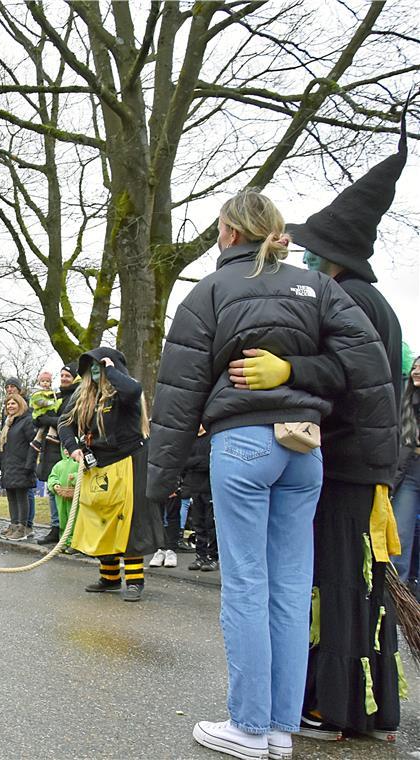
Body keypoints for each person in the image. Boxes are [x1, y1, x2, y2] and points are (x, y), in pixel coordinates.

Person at [148, 189, 395, 759]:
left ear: (230, 232)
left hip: (242, 445)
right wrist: (382, 458)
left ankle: (249, 725)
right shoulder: (319, 289)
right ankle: (281, 728)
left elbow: (179, 395)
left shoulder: (209, 292)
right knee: (288, 587)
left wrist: (156, 486)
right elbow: (371, 367)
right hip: (304, 449)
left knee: (246, 586)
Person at [229, 138, 408, 742]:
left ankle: (327, 709)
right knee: (362, 584)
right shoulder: (379, 303)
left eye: (311, 249)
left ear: (332, 256)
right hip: (372, 466)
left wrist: (288, 373)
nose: (302, 254)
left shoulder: (346, 299)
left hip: (344, 461)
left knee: (332, 581)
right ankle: (371, 711)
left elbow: (343, 374)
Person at [59, 348, 160, 604]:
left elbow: (133, 391)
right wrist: (74, 449)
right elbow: (64, 424)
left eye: (98, 367)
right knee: (99, 520)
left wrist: (111, 369)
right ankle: (110, 577)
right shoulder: (83, 397)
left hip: (128, 462)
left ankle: (135, 581)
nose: (94, 373)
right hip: (98, 465)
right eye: (90, 368)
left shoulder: (123, 393)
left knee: (128, 524)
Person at [33, 364, 77, 544]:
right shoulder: (54, 396)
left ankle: (69, 530)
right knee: (53, 488)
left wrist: (46, 419)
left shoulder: (76, 396)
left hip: (67, 446)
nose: (64, 379)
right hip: (50, 446)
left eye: (68, 376)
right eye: (62, 375)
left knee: (68, 489)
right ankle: (55, 527)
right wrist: (40, 418)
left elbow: (68, 419)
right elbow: (38, 416)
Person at [0, 392, 37, 541]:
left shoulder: (27, 421)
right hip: (8, 466)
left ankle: (22, 527)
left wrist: (30, 464)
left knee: (21, 497)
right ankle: (13, 524)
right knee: (11, 497)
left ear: (20, 405)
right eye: (8, 404)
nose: (10, 406)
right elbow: (3, 447)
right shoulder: (8, 424)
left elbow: (34, 443)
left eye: (13, 403)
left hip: (22, 465)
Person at [397, 357, 420, 586]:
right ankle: (398, 610)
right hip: (410, 469)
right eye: (415, 366)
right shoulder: (405, 399)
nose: (416, 371)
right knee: (400, 536)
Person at [179, 430, 216, 571]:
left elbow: (210, 461)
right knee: (198, 524)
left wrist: (193, 463)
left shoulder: (212, 438)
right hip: (195, 487)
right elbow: (183, 462)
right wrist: (198, 462)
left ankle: (213, 557)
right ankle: (200, 556)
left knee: (211, 524)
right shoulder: (190, 439)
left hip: (210, 487)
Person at [46, 448, 79, 549]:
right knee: (62, 518)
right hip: (60, 498)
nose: (66, 451)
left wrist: (74, 477)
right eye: (64, 448)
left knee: (74, 518)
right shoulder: (58, 465)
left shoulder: (79, 464)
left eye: (68, 448)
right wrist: (54, 484)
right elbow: (52, 477)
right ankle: (64, 540)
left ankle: (74, 541)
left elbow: (84, 475)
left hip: (75, 497)